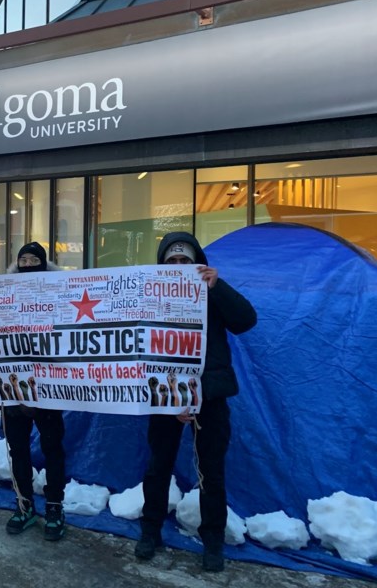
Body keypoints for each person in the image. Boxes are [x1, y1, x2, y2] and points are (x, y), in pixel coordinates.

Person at [134, 232, 257, 572]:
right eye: (171, 261)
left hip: (211, 395)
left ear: (197, 263)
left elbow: (246, 320)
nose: (178, 266)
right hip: (165, 394)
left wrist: (219, 286)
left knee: (212, 472)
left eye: (184, 261)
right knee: (158, 465)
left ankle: (213, 540)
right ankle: (150, 530)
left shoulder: (211, 290)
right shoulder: (148, 296)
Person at [0, 241, 67, 542]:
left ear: (43, 263)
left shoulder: (59, 294)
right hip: (12, 388)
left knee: (53, 448)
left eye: (34, 260)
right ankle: (24, 504)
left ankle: (55, 506)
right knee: (18, 449)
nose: (28, 264)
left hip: (49, 388)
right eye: (23, 260)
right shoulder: (5, 293)